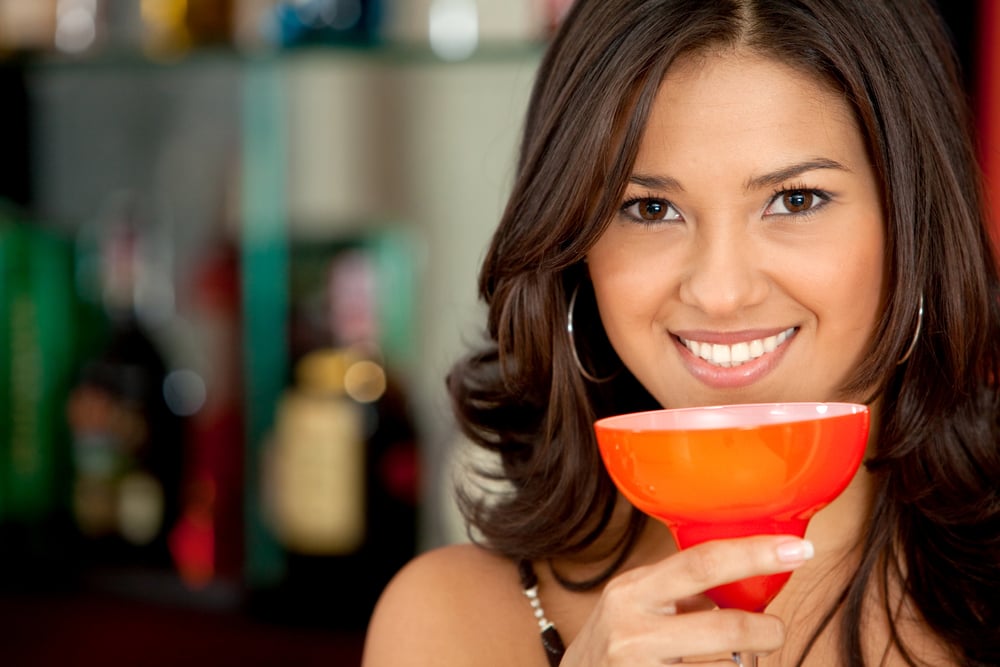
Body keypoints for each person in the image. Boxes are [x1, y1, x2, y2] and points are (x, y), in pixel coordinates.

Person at [363, 0, 1000, 664]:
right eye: (650, 208)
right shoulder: (448, 624)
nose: (720, 293)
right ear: (572, 246)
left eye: (796, 199)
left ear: (914, 226)